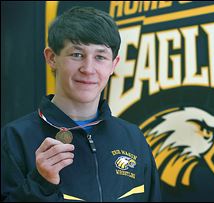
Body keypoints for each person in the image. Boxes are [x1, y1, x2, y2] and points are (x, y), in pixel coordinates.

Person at [1, 7, 161, 202]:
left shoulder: (133, 138)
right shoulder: (14, 138)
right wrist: (40, 183)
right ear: (52, 58)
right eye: (77, 54)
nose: (88, 69)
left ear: (113, 64)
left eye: (100, 57)